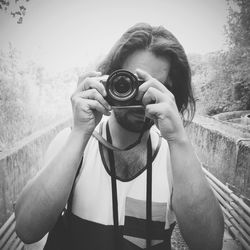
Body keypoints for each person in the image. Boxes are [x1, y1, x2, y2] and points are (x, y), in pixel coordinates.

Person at [15, 23, 224, 250]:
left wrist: (178, 139)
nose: (141, 98)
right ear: (109, 80)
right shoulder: (73, 144)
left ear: (171, 93)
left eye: (153, 87)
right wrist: (80, 133)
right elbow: (27, 230)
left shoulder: (175, 157)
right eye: (129, 83)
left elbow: (210, 245)